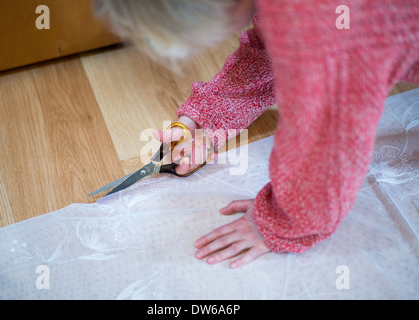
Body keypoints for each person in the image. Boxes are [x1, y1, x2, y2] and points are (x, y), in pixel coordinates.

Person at [93, 0, 419, 268]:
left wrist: (285, 220)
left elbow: (325, 137)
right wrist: (203, 119)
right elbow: (269, 50)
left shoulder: (319, 21)